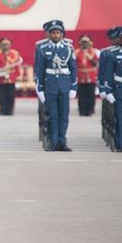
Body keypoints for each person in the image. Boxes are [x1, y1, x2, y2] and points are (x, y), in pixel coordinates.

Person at [34, 20, 77, 152]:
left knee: (64, 116)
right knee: (52, 115)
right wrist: (40, 89)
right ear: (49, 34)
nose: (56, 35)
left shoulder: (68, 48)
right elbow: (39, 70)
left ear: (62, 34)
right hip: (50, 86)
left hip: (64, 85)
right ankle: (53, 142)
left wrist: (73, 87)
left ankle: (62, 142)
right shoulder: (42, 49)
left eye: (58, 32)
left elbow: (73, 68)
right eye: (53, 33)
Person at [104, 26, 122, 152]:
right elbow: (109, 73)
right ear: (120, 39)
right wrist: (108, 91)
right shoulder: (113, 53)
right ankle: (121, 144)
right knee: (120, 118)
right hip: (120, 89)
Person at [0, 38, 23, 116]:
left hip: (11, 77)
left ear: (10, 45)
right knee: (2, 95)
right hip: (1, 77)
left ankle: (10, 110)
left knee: (11, 95)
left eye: (7, 44)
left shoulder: (15, 53)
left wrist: (18, 75)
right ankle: (2, 110)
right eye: (3, 44)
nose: (5, 46)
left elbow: (17, 66)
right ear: (0, 45)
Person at [75, 34, 99, 117]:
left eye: (86, 41)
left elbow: (96, 63)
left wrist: (90, 57)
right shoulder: (77, 52)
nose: (85, 43)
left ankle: (90, 110)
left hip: (90, 75)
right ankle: (82, 110)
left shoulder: (93, 51)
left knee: (90, 94)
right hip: (80, 75)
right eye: (83, 41)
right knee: (81, 94)